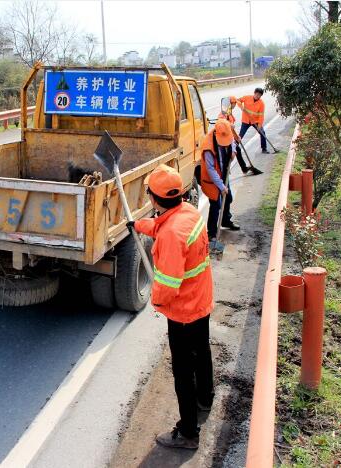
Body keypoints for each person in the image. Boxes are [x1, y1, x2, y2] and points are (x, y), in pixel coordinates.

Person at [128, 164, 215, 450]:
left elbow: (167, 285)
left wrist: (157, 301)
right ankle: (206, 400)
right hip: (201, 301)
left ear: (154, 199)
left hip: (183, 312)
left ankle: (188, 432)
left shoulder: (170, 237)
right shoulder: (187, 212)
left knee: (182, 371)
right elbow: (163, 224)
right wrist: (138, 226)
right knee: (202, 354)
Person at [199, 118, 240, 246]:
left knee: (228, 198)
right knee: (216, 204)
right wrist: (222, 187)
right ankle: (211, 233)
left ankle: (225, 221)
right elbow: (211, 170)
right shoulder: (208, 147)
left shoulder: (227, 130)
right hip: (212, 179)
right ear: (216, 134)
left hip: (223, 172)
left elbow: (232, 141)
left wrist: (233, 151)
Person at [219, 96, 260, 175]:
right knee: (228, 156)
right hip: (224, 140)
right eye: (234, 104)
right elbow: (222, 122)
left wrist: (237, 137)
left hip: (229, 137)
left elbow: (231, 129)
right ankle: (225, 172)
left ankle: (243, 168)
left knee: (237, 150)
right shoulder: (223, 113)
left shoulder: (229, 112)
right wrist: (228, 124)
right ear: (231, 103)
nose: (235, 106)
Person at [237, 87, 269, 154]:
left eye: (259, 95)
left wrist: (259, 126)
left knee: (262, 133)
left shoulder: (261, 103)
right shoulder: (247, 97)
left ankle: (264, 148)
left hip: (255, 121)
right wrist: (241, 107)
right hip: (245, 121)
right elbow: (237, 100)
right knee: (240, 135)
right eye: (257, 94)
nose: (258, 96)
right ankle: (234, 148)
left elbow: (261, 116)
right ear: (254, 93)